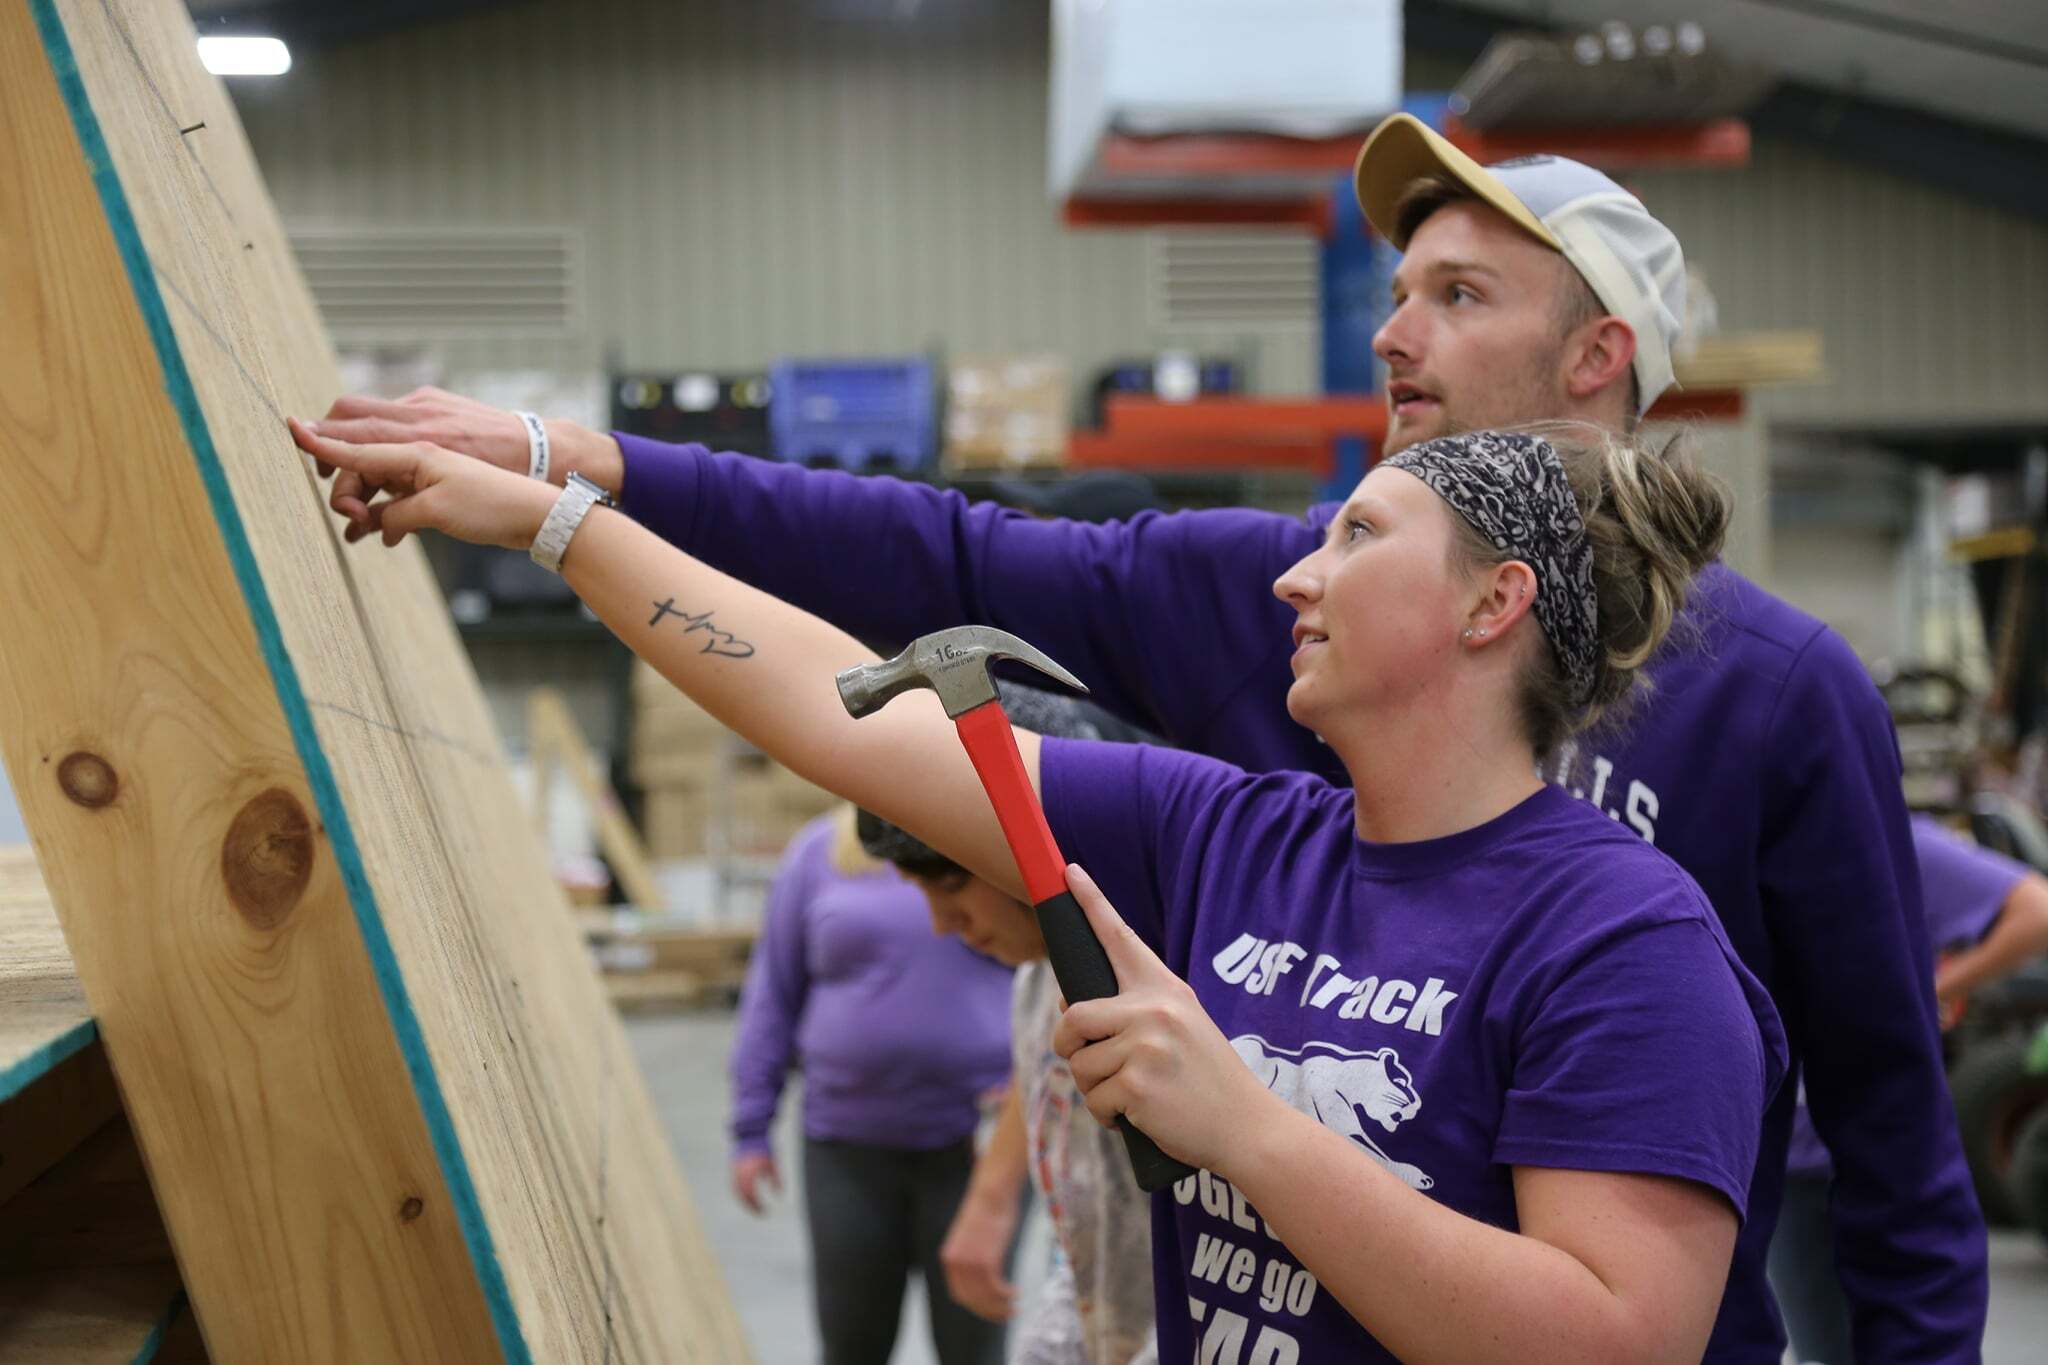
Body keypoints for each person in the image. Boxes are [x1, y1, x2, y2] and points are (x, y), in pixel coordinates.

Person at [300, 113, 1986, 1359]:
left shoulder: (1692, 833)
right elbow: (910, 605)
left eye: (1456, 294)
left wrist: (1243, 1120)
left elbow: (1871, 1149)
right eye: (1396, 291)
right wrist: (568, 489)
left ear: (1593, 359)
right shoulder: (1237, 807)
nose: (1392, 334)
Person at [291, 409, 1785, 1361]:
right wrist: (560, 521)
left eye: (1356, 534)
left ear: (1492, 603)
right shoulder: (1234, 836)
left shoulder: (1626, 942)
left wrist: (1250, 1134)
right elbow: (839, 705)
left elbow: (1615, 1340)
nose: (1294, 577)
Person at [854, 685, 1160, 1365]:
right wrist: (992, 1197)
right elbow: (1104, 1281)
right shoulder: (1039, 985)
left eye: (952, 886)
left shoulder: (1163, 996)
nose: (941, 925)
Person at [728, 805, 1015, 1365]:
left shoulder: (980, 842)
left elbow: (1046, 969)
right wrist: (750, 1127)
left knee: (974, 1347)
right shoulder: (817, 854)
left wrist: (1035, 1075)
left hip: (976, 1148)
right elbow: (774, 992)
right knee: (852, 1344)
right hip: (847, 1147)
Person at [1771, 813, 2048, 1363]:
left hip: (1870, 1147)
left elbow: (2035, 911)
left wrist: (1933, 989)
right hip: (1785, 1151)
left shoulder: (1889, 839)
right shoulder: (1762, 833)